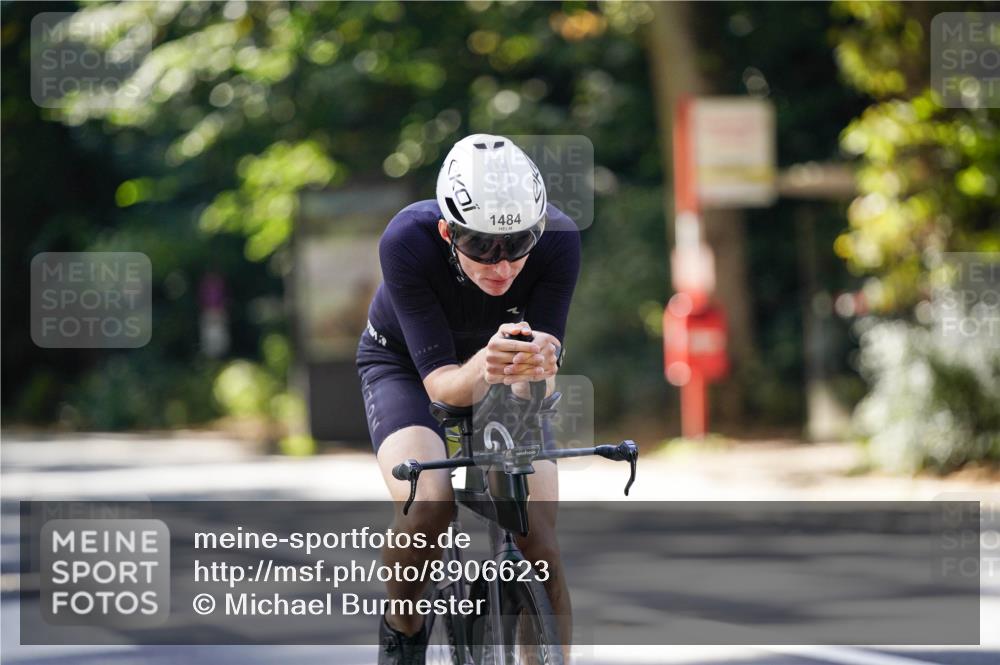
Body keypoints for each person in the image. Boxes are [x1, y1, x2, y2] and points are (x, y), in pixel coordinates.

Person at [356, 133, 581, 664]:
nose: (501, 267)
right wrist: (486, 362)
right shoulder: (406, 240)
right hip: (406, 368)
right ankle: (404, 625)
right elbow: (441, 387)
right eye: (481, 246)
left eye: (518, 245)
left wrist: (537, 366)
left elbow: (537, 379)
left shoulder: (561, 241)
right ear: (447, 231)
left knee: (539, 540)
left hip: (498, 371)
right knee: (430, 501)